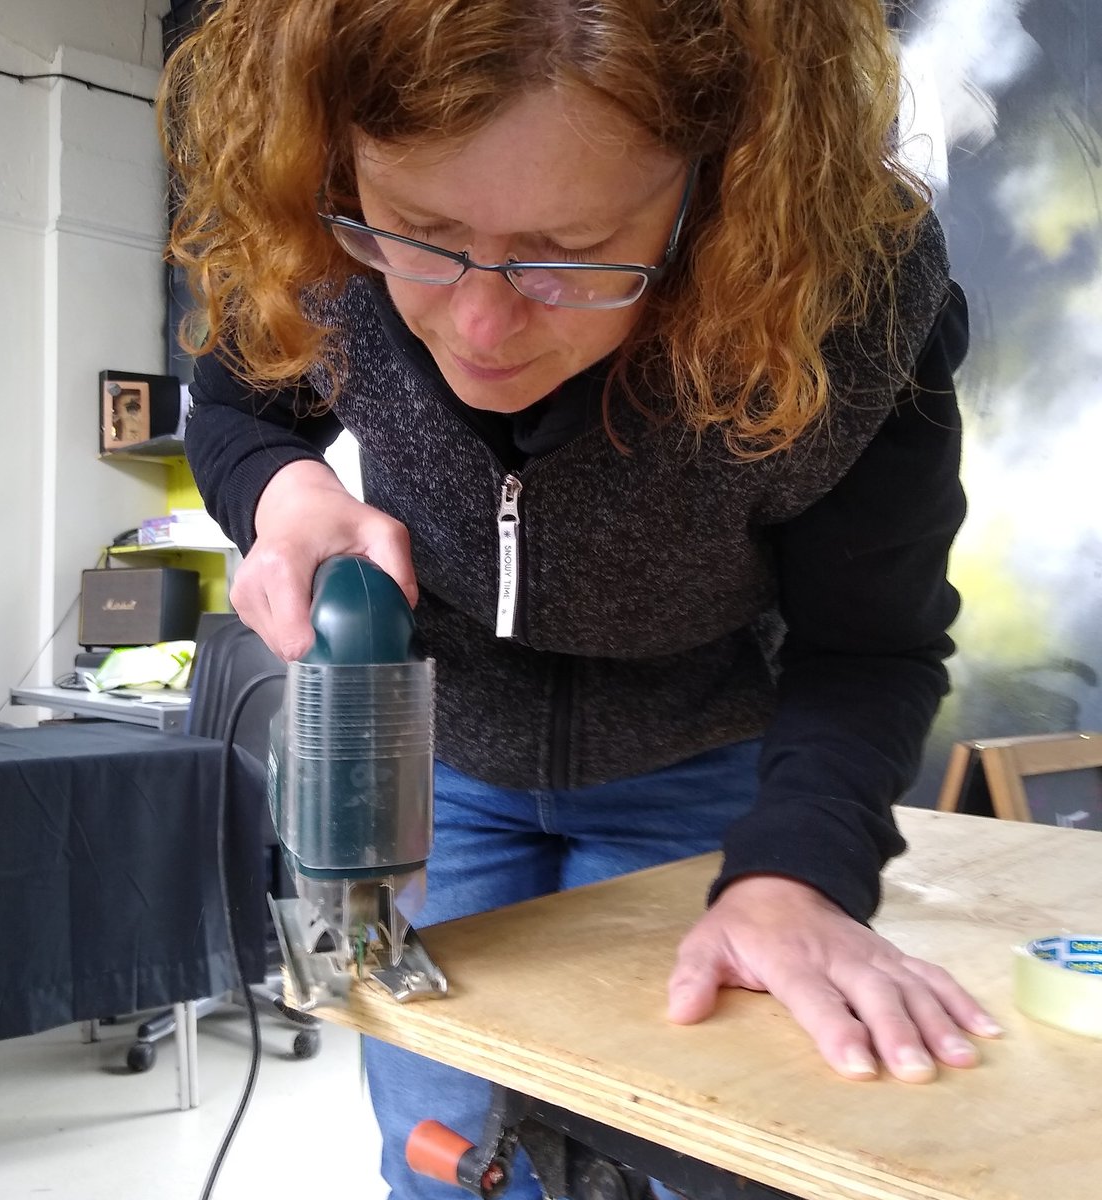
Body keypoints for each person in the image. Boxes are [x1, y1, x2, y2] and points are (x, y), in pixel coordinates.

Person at [162, 1, 1002, 1195]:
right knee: (447, 1154)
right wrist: (286, 497)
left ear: (715, 191)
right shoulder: (314, 203)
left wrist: (794, 876)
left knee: (694, 1146)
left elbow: (869, 650)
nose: (483, 325)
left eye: (570, 253)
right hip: (439, 768)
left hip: (701, 766)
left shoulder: (846, 292)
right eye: (421, 231)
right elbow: (238, 405)